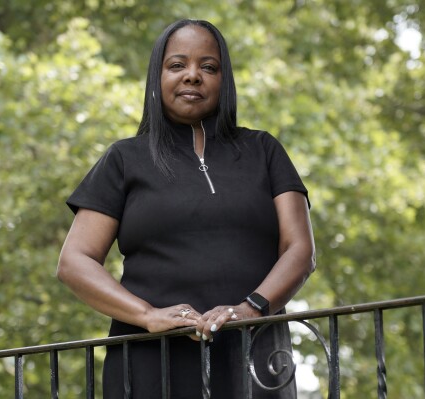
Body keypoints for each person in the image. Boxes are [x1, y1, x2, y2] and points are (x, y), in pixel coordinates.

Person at [57, 18, 315, 398]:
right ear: (156, 78)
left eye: (208, 67)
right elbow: (74, 262)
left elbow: (301, 251)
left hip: (254, 360)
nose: (192, 76)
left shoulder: (264, 151)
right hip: (149, 363)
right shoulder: (124, 159)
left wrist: (250, 309)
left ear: (224, 80)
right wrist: (147, 315)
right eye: (177, 65)